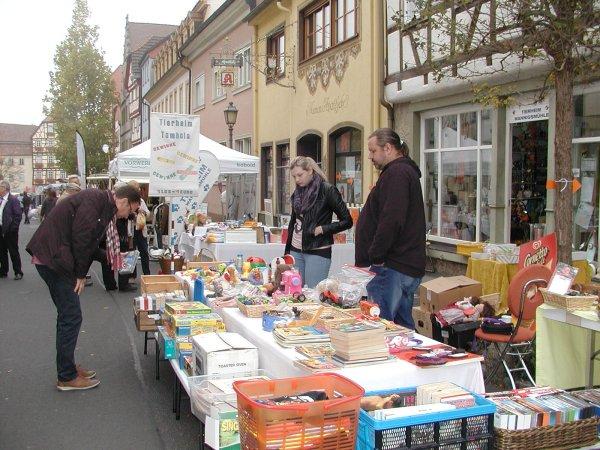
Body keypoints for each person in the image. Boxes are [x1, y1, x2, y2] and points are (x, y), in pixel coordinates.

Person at [26, 185, 141, 390]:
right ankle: (66, 376)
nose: (128, 215)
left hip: (53, 257)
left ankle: (67, 367)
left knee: (69, 315)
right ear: (123, 201)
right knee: (71, 316)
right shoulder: (95, 201)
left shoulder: (101, 203)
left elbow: (88, 244)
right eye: (131, 210)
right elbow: (81, 239)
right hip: (53, 259)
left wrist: (111, 258)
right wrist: (79, 274)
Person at [355, 128, 426, 328]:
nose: (370, 156)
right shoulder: (400, 172)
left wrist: (376, 255)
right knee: (402, 327)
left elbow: (392, 219)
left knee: (380, 326)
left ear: (387, 148)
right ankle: (408, 358)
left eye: (372, 150)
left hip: (393, 264)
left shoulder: (397, 173)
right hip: (400, 263)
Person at [284, 156, 352, 288]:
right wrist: (288, 251)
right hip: (295, 250)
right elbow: (294, 221)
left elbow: (347, 221)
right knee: (294, 292)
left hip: (317, 250)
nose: (297, 180)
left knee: (314, 295)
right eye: (294, 177)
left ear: (310, 170)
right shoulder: (297, 192)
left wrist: (323, 229)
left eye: (300, 175)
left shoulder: (327, 190)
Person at [0, 180, 24, 280]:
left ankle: (18, 272)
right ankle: (3, 271)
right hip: (0, 229)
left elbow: (18, 216)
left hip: (10, 231)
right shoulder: (0, 199)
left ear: (5, 189)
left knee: (13, 252)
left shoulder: (13, 199)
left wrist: (13, 228)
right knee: (2, 252)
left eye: (0, 187)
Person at [128, 180, 150, 276]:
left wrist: (143, 212)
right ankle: (132, 275)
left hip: (140, 229)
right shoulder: (126, 200)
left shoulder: (141, 201)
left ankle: (147, 273)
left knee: (144, 251)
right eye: (136, 189)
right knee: (132, 253)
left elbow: (148, 213)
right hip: (130, 230)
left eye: (138, 189)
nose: (138, 190)